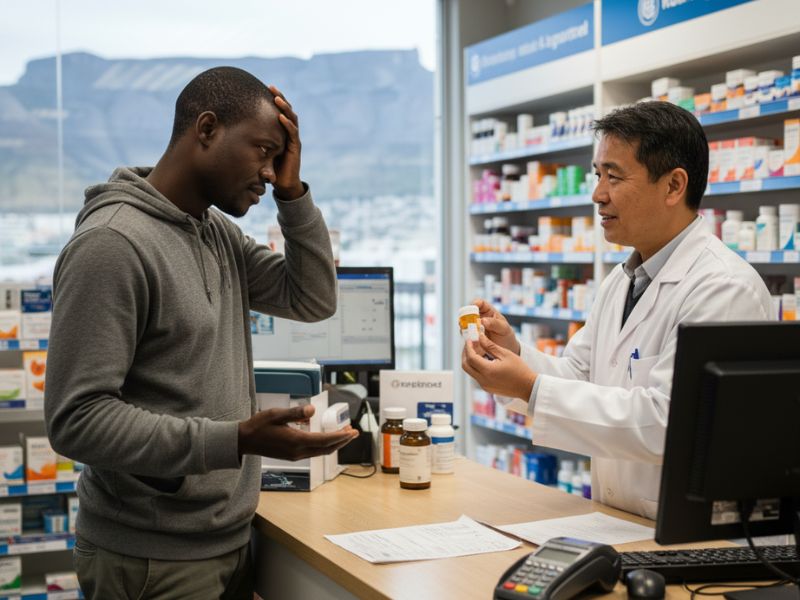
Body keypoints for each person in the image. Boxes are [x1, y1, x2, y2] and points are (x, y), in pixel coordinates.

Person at [44, 66, 358, 599]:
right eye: (264, 151)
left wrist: (293, 193)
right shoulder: (112, 244)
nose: (269, 173)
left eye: (278, 158)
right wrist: (235, 440)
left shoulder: (217, 235)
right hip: (150, 560)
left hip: (227, 542)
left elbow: (312, 298)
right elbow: (76, 420)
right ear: (207, 129)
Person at [462, 101, 774, 520]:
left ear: (673, 186)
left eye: (614, 176)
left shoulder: (724, 288)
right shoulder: (622, 279)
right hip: (620, 522)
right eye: (597, 175)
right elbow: (579, 374)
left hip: (691, 536)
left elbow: (669, 423)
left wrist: (531, 387)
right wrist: (513, 356)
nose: (598, 194)